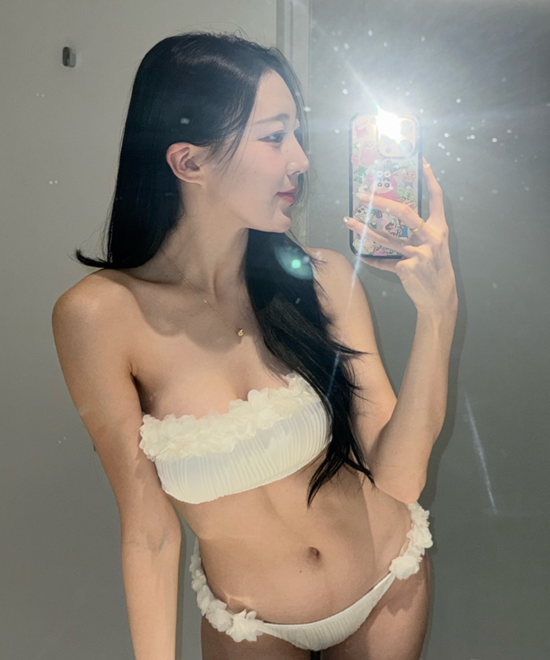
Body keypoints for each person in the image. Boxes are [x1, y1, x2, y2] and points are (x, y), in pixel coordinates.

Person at [51, 30, 458, 660]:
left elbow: (400, 478)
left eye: (297, 132)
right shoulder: (100, 317)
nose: (301, 160)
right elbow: (149, 531)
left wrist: (438, 314)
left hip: (385, 586)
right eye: (274, 137)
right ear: (189, 162)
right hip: (250, 624)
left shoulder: (322, 280)